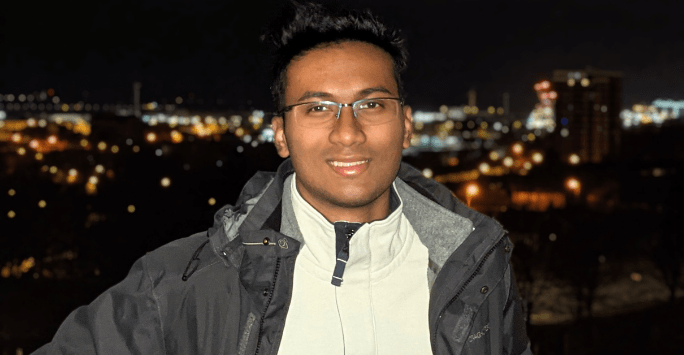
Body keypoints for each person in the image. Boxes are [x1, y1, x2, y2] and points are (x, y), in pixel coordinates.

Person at [35, 2, 531, 354]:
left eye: (371, 104)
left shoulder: (477, 268)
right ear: (281, 135)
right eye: (318, 108)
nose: (348, 132)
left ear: (406, 126)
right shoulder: (182, 284)